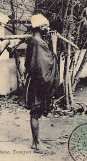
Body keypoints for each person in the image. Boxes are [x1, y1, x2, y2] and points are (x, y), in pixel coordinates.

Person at [24, 14, 59, 153]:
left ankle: (35, 142)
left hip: (34, 81)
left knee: (35, 111)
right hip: (38, 83)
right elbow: (47, 65)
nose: (48, 28)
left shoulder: (33, 41)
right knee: (36, 112)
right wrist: (54, 44)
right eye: (46, 26)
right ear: (39, 27)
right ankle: (37, 144)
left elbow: (31, 64)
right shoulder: (38, 43)